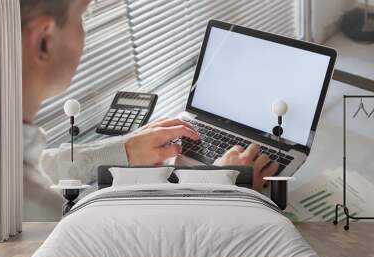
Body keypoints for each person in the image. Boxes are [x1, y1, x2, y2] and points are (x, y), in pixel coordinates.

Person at [20, 0, 278, 220]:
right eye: (82, 16)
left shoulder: (9, 157)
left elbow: (44, 165)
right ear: (45, 40)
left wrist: (123, 149)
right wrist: (226, 188)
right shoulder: (41, 213)